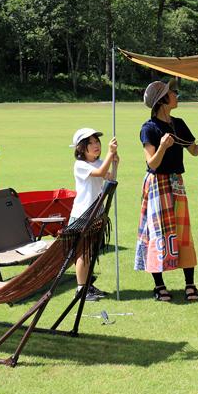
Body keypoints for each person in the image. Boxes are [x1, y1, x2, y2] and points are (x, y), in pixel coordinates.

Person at [136, 78, 198, 302]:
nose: (176, 95)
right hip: (157, 183)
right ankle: (159, 285)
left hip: (176, 182)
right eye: (173, 93)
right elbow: (151, 163)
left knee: (182, 232)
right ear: (162, 100)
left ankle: (189, 283)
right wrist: (162, 147)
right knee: (158, 233)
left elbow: (194, 150)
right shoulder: (149, 128)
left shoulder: (178, 123)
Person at [70, 127, 119, 302]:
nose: (95, 145)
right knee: (82, 253)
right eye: (90, 143)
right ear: (81, 148)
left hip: (95, 214)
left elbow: (110, 178)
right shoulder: (80, 165)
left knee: (89, 252)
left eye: (96, 141)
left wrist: (114, 162)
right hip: (83, 215)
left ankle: (87, 285)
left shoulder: (98, 162)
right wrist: (109, 153)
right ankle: (81, 289)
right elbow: (98, 174)